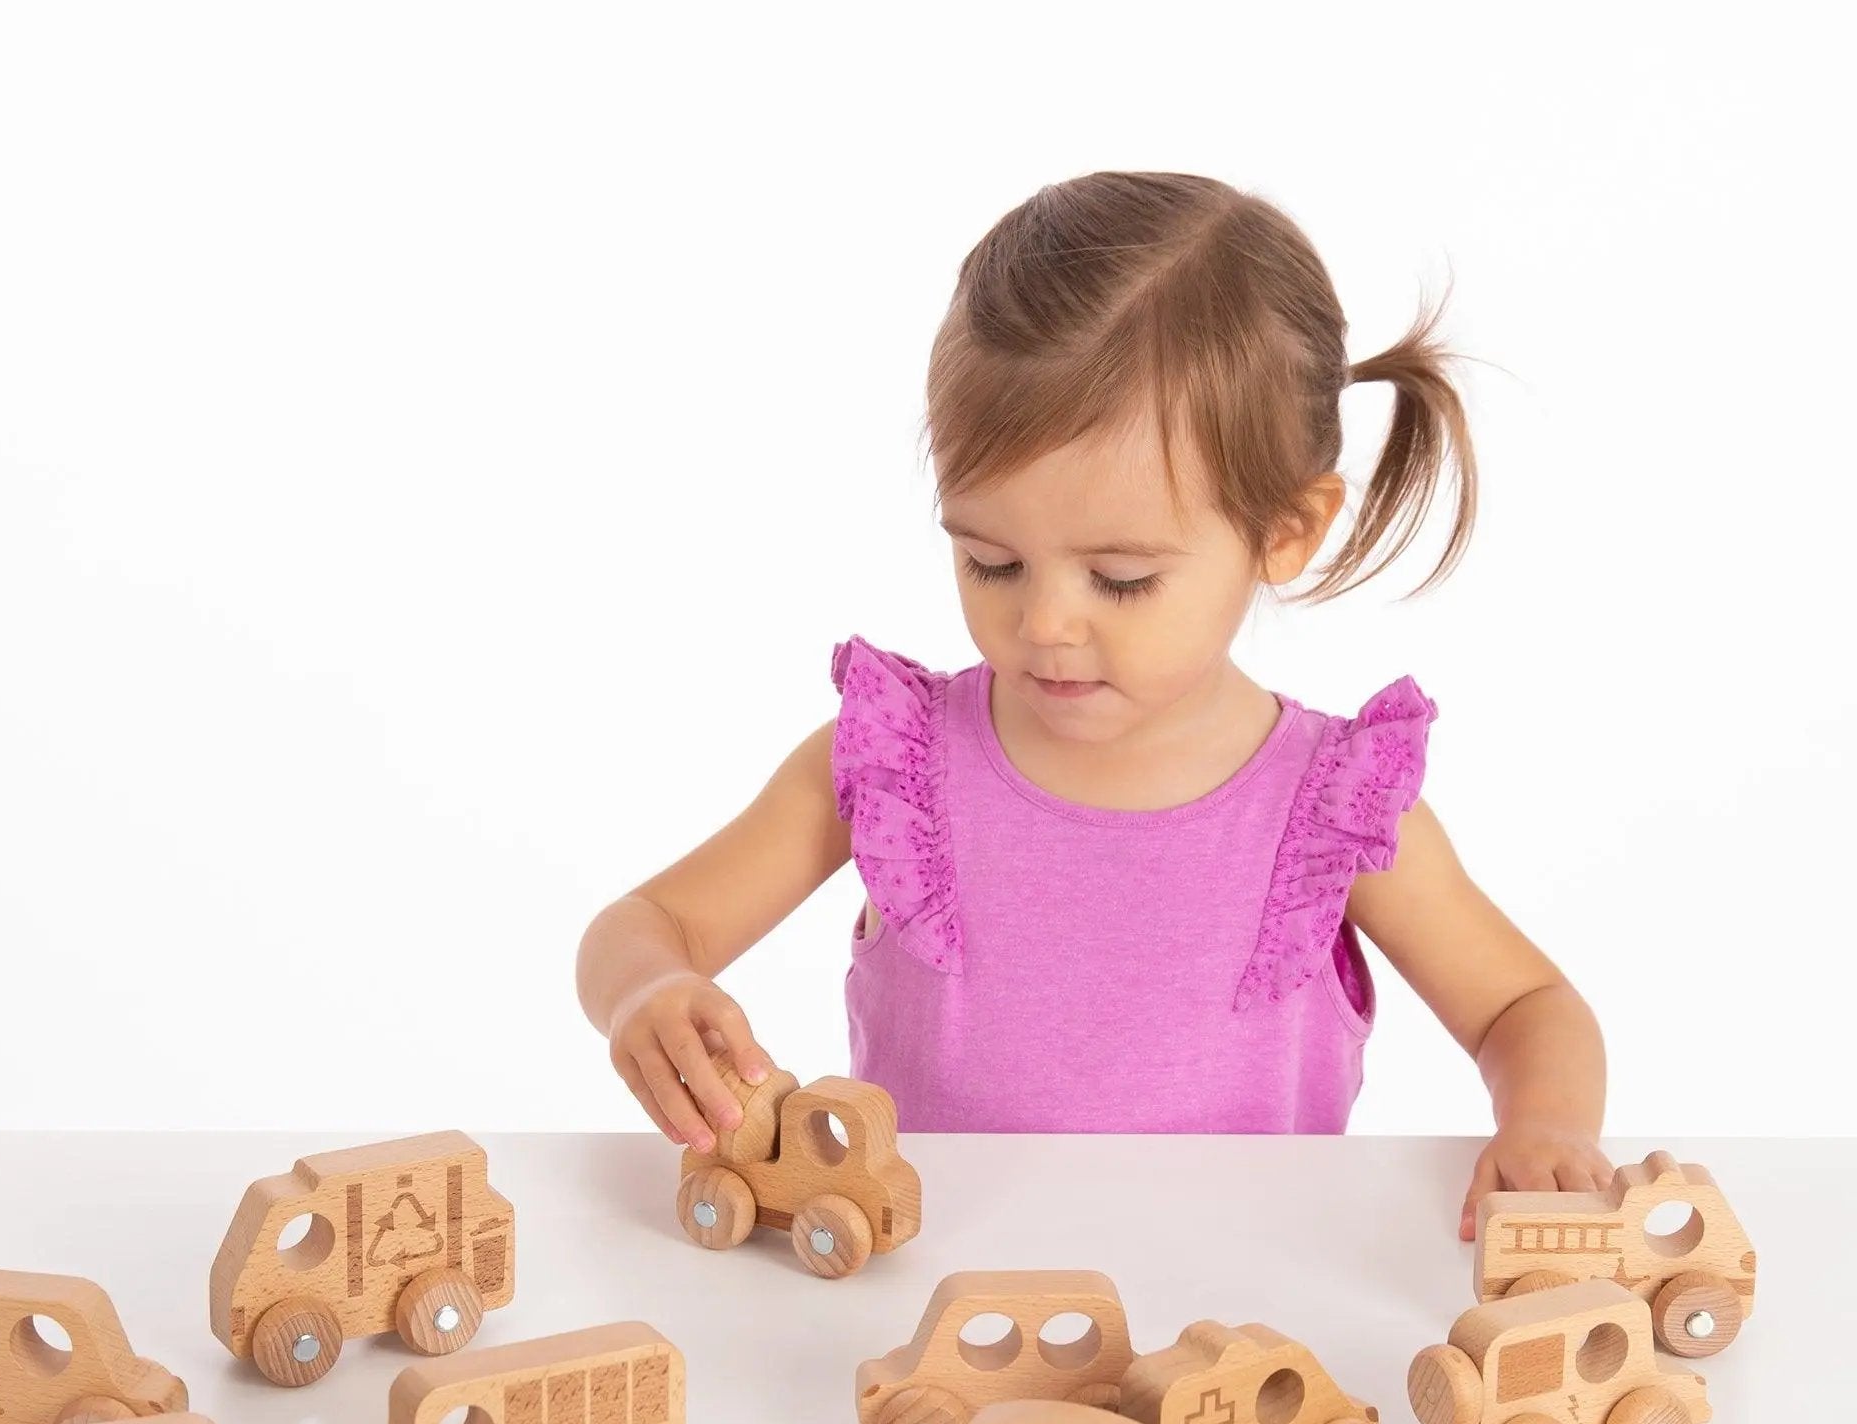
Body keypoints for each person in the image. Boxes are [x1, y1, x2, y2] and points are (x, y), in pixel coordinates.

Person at [577, 171, 1609, 1239]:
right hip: (931, 1322)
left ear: (1285, 533)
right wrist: (644, 992)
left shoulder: (1331, 809)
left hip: (1240, 1329)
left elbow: (1526, 1009)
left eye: (1119, 578)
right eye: (992, 562)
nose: (1046, 626)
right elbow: (643, 926)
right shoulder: (891, 765)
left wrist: (1547, 1128)